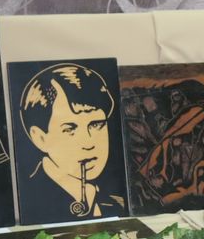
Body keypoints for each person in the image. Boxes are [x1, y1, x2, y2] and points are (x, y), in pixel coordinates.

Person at [18, 63, 125, 218]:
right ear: (40, 138)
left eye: (96, 125)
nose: (88, 143)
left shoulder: (117, 204)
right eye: (70, 129)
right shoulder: (33, 203)